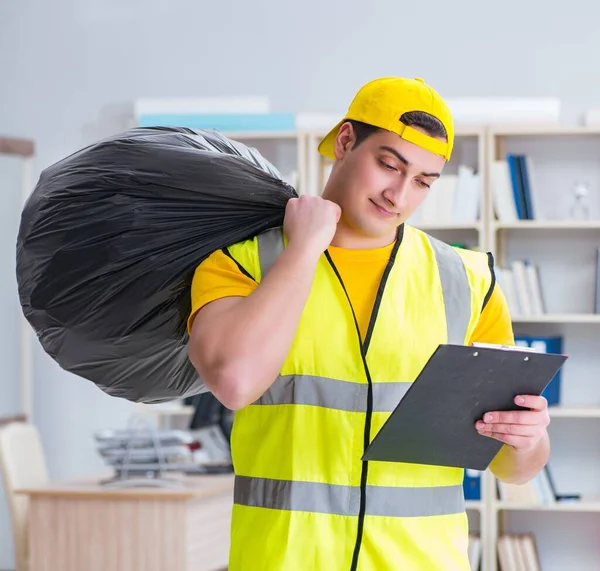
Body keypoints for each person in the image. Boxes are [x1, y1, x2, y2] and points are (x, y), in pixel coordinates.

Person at [187, 77, 551, 570]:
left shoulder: (467, 281)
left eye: (423, 181)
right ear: (344, 142)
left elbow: (516, 469)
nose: (399, 194)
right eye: (388, 164)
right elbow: (234, 381)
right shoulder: (242, 263)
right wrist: (303, 252)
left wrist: (528, 438)